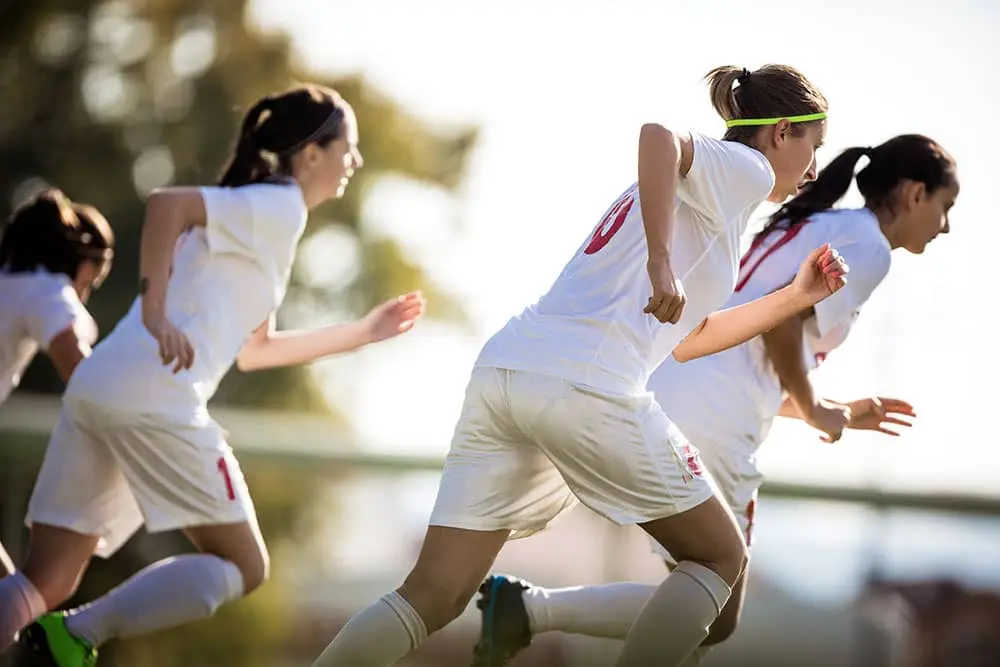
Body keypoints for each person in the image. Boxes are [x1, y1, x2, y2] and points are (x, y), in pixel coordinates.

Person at [311, 64, 841, 667]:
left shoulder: (716, 197)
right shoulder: (746, 168)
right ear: (780, 133)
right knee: (720, 559)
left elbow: (689, 339)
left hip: (508, 370)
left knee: (431, 595)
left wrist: (796, 298)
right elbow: (657, 134)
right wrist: (661, 263)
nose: (815, 169)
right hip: (585, 384)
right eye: (813, 146)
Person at [473, 133, 959, 666]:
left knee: (706, 605)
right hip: (716, 422)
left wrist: (831, 409)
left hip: (680, 394)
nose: (946, 225)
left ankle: (524, 610)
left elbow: (755, 357)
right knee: (713, 600)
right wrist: (818, 409)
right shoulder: (868, 246)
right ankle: (527, 610)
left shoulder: (822, 225)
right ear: (915, 194)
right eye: (945, 206)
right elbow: (781, 329)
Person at [0, 84, 426, 666]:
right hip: (155, 396)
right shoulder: (280, 207)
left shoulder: (265, 218)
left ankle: (62, 633)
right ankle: (76, 635)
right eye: (347, 148)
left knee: (39, 584)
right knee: (246, 567)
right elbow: (165, 204)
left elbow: (255, 350)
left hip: (98, 387)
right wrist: (153, 311)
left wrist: (361, 333)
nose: (354, 161)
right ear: (310, 156)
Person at [0, 189, 115, 578]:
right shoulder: (47, 291)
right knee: (12, 606)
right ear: (80, 262)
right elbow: (84, 376)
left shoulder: (10, 281)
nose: (86, 293)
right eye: (91, 282)